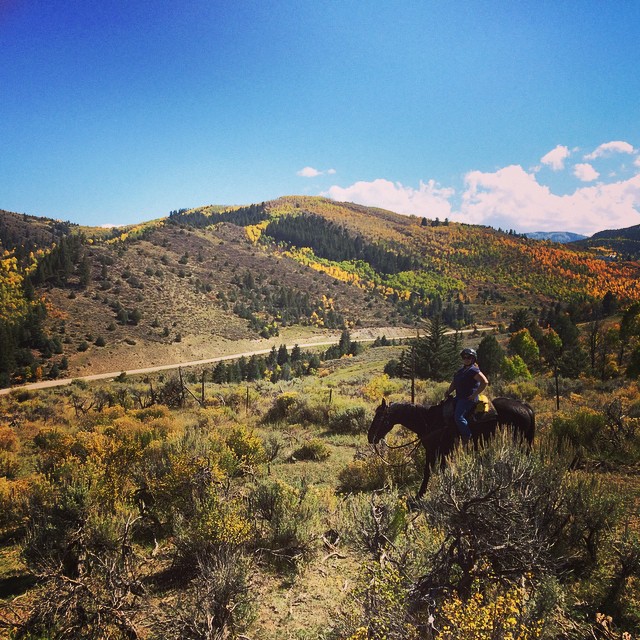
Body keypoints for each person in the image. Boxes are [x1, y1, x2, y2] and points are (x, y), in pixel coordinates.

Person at [445, 347, 489, 442]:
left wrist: (475, 394)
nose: (466, 359)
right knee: (445, 411)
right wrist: (448, 392)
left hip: (468, 399)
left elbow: (484, 382)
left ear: (473, 359)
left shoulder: (474, 370)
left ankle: (467, 436)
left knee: (458, 417)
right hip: (459, 397)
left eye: (469, 357)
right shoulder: (460, 371)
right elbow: (454, 383)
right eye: (464, 357)